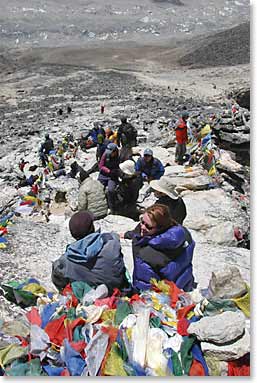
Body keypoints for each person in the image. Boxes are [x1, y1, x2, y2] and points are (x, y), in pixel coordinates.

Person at [51, 211, 129, 293]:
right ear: (92, 228)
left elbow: (57, 278)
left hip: (89, 298)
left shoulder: (66, 260)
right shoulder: (112, 241)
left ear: (72, 234)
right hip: (119, 292)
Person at [123, 204, 195, 292]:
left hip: (167, 297)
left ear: (160, 228)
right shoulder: (184, 233)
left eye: (148, 226)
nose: (142, 226)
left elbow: (146, 286)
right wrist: (128, 235)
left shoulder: (147, 255)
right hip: (184, 284)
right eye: (142, 221)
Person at [98, 143, 120, 213]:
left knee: (111, 190)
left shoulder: (119, 157)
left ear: (115, 151)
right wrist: (108, 170)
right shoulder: (105, 154)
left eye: (111, 153)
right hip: (104, 174)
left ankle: (111, 207)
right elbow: (101, 166)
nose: (109, 154)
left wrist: (116, 172)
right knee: (98, 187)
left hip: (113, 176)